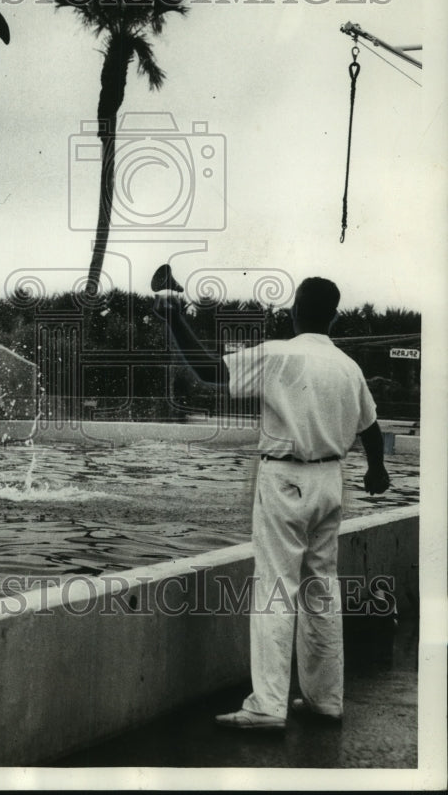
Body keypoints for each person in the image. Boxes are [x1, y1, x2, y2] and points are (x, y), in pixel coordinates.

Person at [153, 274, 389, 731]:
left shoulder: (279, 355)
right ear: (335, 317)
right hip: (330, 480)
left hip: (285, 478)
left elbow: (206, 371)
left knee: (276, 587)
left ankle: (267, 706)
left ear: (294, 311)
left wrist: (175, 318)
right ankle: (325, 700)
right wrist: (376, 470)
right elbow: (371, 427)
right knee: (322, 588)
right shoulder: (347, 366)